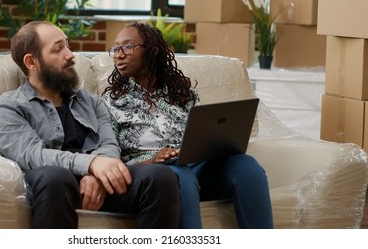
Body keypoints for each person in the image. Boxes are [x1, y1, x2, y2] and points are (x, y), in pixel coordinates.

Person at [0, 21, 180, 229]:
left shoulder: (91, 101)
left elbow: (109, 143)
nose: (70, 55)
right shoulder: (8, 107)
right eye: (58, 49)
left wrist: (97, 174)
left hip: (100, 184)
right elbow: (34, 155)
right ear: (32, 62)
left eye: (67, 45)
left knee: (160, 176)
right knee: (55, 177)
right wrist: (90, 164)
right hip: (52, 188)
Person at [102, 22, 274, 229]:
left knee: (246, 166)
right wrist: (153, 160)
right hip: (150, 174)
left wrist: (214, 147)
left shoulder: (184, 95)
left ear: (153, 50)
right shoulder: (110, 103)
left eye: (128, 46)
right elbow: (109, 161)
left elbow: (200, 135)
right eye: (115, 48)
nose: (118, 54)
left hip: (192, 166)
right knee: (179, 174)